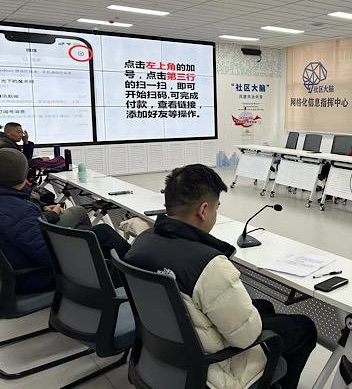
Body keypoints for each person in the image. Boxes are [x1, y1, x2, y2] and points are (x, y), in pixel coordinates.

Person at [125, 164, 317, 389]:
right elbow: (246, 337)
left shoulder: (141, 243)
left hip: (164, 353)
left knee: (263, 306)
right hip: (211, 372)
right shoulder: (209, 265)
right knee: (304, 328)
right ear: (203, 210)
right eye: (216, 208)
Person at [0, 148, 131, 294]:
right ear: (23, 177)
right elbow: (48, 254)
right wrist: (73, 242)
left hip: (19, 271)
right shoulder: (18, 210)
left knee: (93, 235)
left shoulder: (11, 204)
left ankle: (129, 279)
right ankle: (137, 275)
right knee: (103, 235)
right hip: (35, 277)